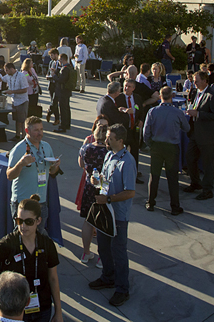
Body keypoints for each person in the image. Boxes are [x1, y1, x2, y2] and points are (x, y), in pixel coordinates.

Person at [0, 196, 63, 322]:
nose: (23, 226)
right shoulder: (8, 242)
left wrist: (58, 311)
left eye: (28, 221)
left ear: (38, 221)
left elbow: (53, 278)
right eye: (19, 221)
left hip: (42, 308)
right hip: (14, 311)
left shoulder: (46, 244)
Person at [88, 124, 136, 307]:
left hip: (118, 215)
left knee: (119, 252)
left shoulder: (128, 162)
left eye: (110, 138)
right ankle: (108, 277)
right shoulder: (109, 155)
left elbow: (130, 192)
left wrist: (108, 198)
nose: (105, 139)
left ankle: (122, 289)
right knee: (103, 247)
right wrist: (97, 180)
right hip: (105, 211)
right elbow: (105, 180)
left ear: (120, 141)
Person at [7, 117, 61, 233]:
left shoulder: (46, 146)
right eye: (36, 130)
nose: (40, 133)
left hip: (41, 201)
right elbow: (9, 176)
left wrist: (55, 166)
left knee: (39, 234)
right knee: (22, 234)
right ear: (27, 131)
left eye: (41, 129)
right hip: (23, 202)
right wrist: (20, 164)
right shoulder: (19, 149)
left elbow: (51, 172)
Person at [143, 86, 189, 216]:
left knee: (154, 175)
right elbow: (186, 128)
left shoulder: (153, 112)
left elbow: (146, 132)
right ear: (172, 96)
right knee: (172, 177)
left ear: (160, 96)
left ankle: (151, 202)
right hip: (172, 147)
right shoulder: (177, 113)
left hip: (157, 146)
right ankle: (174, 206)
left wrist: (150, 144)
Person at [184, 70, 214, 201]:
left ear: (205, 81)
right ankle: (195, 183)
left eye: (197, 81)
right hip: (195, 132)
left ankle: (207, 190)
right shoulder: (196, 92)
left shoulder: (212, 95)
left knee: (207, 164)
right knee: (190, 158)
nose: (194, 83)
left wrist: (198, 114)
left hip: (207, 136)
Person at [78, 116, 110, 265]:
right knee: (103, 223)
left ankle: (85, 252)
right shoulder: (109, 152)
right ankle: (102, 258)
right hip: (104, 189)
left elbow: (81, 164)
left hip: (89, 188)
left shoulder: (86, 148)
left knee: (88, 221)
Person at [115, 79, 144, 183]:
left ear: (133, 88)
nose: (126, 88)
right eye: (125, 86)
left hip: (134, 130)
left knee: (135, 153)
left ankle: (134, 175)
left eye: (129, 86)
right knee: (121, 152)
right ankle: (119, 175)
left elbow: (141, 111)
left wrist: (141, 120)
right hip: (124, 130)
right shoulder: (119, 98)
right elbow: (116, 110)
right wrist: (123, 110)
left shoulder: (137, 98)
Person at [0, 63, 29, 141]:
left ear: (11, 69)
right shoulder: (8, 76)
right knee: (17, 120)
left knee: (22, 120)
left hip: (22, 101)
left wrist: (12, 91)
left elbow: (24, 90)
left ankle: (24, 137)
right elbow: (1, 79)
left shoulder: (21, 76)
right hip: (15, 101)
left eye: (7, 70)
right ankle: (17, 136)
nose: (6, 72)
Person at [52, 54, 73, 133]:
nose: (59, 62)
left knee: (63, 109)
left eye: (60, 60)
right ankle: (67, 124)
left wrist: (54, 76)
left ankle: (63, 126)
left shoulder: (65, 69)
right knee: (67, 108)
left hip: (62, 91)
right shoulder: (70, 67)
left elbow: (61, 80)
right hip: (67, 90)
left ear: (63, 59)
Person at [45, 49, 61, 126]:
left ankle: (49, 111)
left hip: (57, 84)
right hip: (51, 84)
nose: (51, 57)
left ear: (56, 54)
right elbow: (48, 72)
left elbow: (61, 73)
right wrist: (47, 75)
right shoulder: (51, 62)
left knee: (54, 101)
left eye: (52, 55)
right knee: (53, 101)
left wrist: (55, 72)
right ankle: (57, 118)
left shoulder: (60, 63)